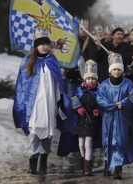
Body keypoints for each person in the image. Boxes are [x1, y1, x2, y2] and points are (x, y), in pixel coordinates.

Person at [12, 28, 76, 175]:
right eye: (41, 44)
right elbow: (22, 85)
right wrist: (22, 104)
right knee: (34, 133)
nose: (45, 46)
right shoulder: (28, 61)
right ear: (36, 45)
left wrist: (62, 101)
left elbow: (59, 83)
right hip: (34, 105)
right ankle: (32, 163)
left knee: (48, 134)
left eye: (47, 44)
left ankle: (43, 163)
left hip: (49, 103)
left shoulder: (52, 60)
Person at [97, 53, 133, 180]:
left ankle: (118, 169)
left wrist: (124, 103)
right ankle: (107, 165)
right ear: (110, 71)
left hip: (122, 118)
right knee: (107, 142)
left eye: (119, 69)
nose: (116, 71)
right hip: (108, 118)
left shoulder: (128, 83)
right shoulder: (104, 84)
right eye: (114, 69)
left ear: (122, 70)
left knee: (120, 142)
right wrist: (112, 104)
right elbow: (99, 99)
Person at [72, 59, 102, 176]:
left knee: (88, 144)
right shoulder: (80, 90)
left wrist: (98, 111)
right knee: (81, 144)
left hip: (92, 121)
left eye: (93, 79)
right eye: (88, 78)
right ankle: (83, 160)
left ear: (96, 79)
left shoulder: (98, 91)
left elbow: (102, 103)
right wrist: (78, 108)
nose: (90, 81)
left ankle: (87, 167)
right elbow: (74, 100)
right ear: (85, 79)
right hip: (81, 121)